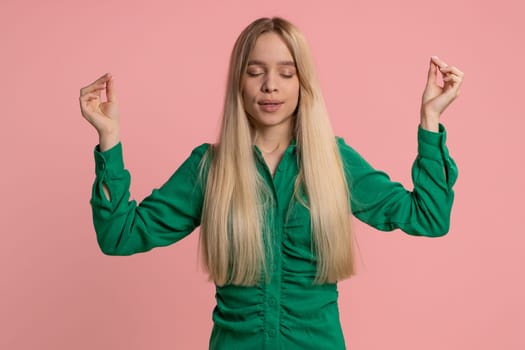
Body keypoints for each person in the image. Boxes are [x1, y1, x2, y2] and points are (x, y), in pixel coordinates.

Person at [79, 17, 462, 350]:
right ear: (239, 82)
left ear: (302, 82)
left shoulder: (332, 161)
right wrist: (108, 139)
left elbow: (428, 217)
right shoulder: (209, 168)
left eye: (286, 72)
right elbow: (120, 236)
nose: (270, 86)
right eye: (255, 71)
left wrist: (430, 118)